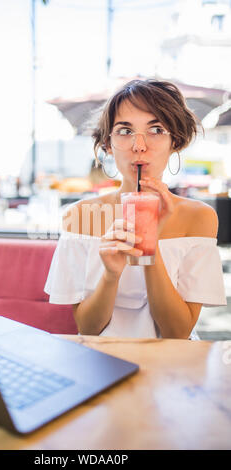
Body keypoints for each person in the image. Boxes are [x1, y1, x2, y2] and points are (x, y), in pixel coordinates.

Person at [44, 79, 227, 339]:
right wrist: (110, 274)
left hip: (173, 365)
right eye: (125, 131)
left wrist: (151, 244)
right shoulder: (79, 216)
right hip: (104, 358)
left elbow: (177, 333)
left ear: (175, 141)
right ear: (107, 144)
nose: (139, 146)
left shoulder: (199, 217)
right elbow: (87, 328)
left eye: (156, 130)